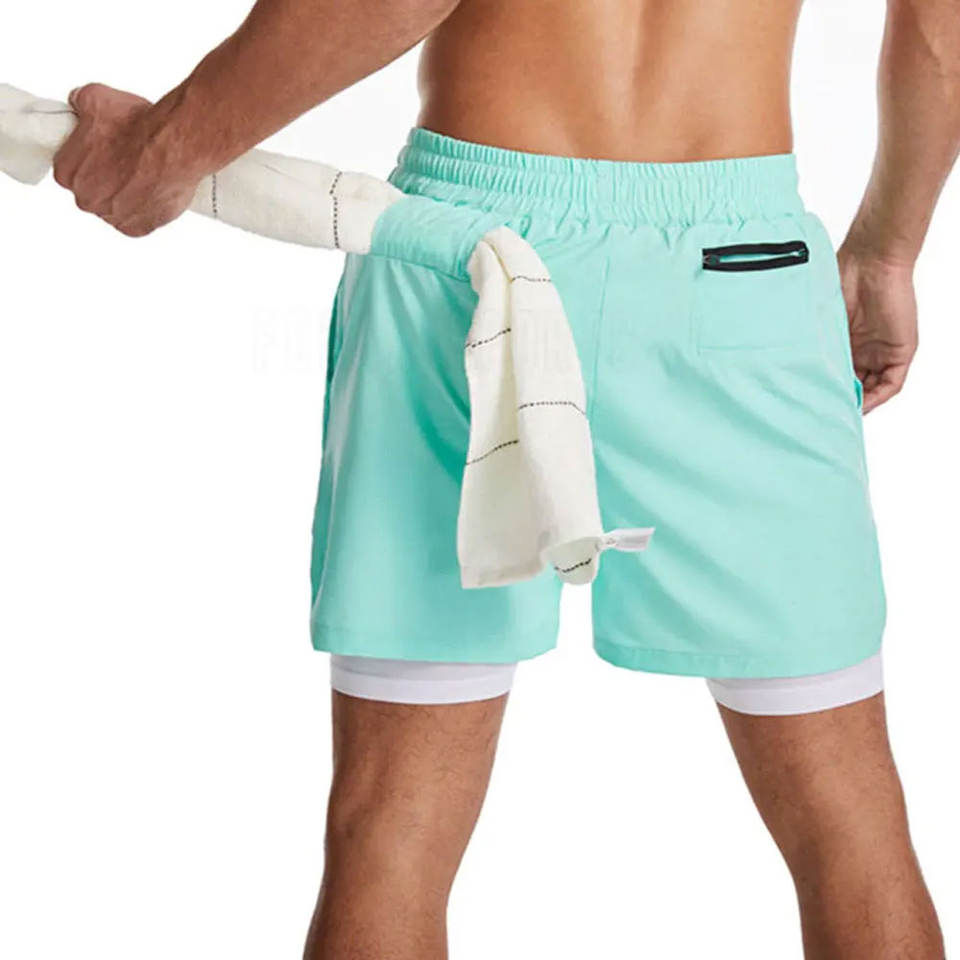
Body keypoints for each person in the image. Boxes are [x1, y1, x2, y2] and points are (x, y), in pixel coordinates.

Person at [53, 0, 951, 957]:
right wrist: (887, 247)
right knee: (848, 820)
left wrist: (168, 146)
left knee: (392, 828)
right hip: (738, 272)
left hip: (464, 251)